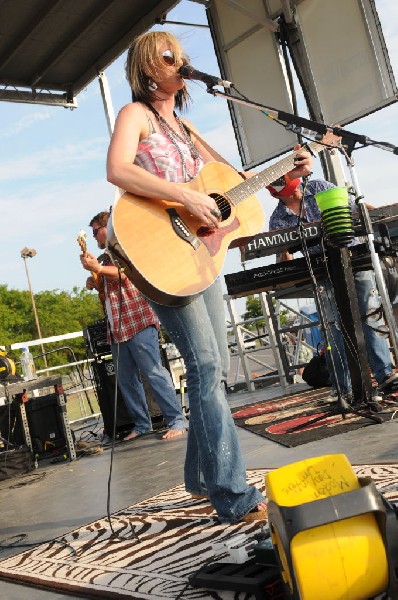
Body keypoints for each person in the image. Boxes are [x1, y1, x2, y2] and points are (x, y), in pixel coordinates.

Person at [105, 30, 312, 523]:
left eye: (181, 57)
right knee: (204, 368)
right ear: (147, 67)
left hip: (202, 254)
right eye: (168, 56)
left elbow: (234, 184)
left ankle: (200, 476)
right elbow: (116, 170)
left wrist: (289, 166)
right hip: (161, 251)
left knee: (214, 368)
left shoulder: (190, 128)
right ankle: (232, 495)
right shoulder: (135, 115)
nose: (179, 62)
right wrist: (184, 197)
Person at [268, 176, 398, 399]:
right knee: (331, 327)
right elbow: (284, 257)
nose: (296, 191)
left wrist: (385, 217)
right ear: (278, 195)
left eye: (296, 186)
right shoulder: (277, 219)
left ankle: (385, 375)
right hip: (321, 271)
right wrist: (284, 258)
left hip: (354, 257)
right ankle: (342, 388)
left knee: (370, 314)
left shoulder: (318, 187)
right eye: (290, 191)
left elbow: (354, 206)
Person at [80, 211, 188, 441]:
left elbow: (124, 273)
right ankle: (142, 424)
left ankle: (177, 419)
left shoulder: (123, 246)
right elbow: (109, 283)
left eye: (96, 231)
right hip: (118, 326)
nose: (94, 237)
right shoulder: (105, 258)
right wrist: (95, 280)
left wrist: (97, 270)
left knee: (153, 372)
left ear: (107, 227)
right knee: (127, 379)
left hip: (137, 319)